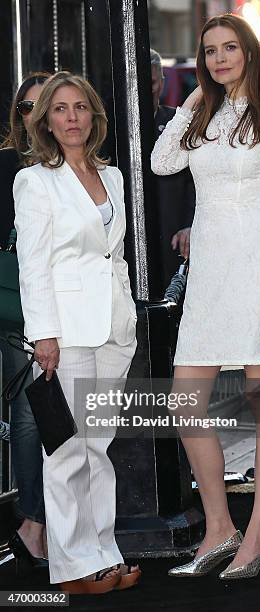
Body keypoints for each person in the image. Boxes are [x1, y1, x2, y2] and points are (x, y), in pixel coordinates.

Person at [151, 14, 260, 580]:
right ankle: (220, 526)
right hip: (211, 270)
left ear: (249, 52)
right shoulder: (200, 116)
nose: (219, 59)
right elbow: (159, 162)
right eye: (209, 51)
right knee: (184, 401)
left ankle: (258, 530)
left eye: (229, 48)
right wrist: (192, 102)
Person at [13, 71, 140, 593]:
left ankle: (103, 553)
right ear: (46, 120)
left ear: (94, 116)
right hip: (66, 329)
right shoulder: (35, 180)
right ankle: (71, 567)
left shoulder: (112, 177)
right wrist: (44, 334)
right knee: (66, 450)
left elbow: (113, 253)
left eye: (79, 107)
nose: (71, 117)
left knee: (98, 447)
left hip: (113, 323)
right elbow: (33, 264)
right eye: (60, 108)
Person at [0, 72, 50, 569]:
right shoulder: (6, 165)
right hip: (21, 306)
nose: (34, 116)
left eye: (45, 104)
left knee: (75, 414)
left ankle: (57, 521)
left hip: (77, 303)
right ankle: (32, 520)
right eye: (26, 107)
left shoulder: (81, 164)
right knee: (31, 413)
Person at [151, 48, 195, 284]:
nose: (146, 89)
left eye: (153, 82)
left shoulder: (176, 124)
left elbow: (195, 182)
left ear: (163, 82)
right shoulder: (109, 128)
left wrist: (189, 225)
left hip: (174, 239)